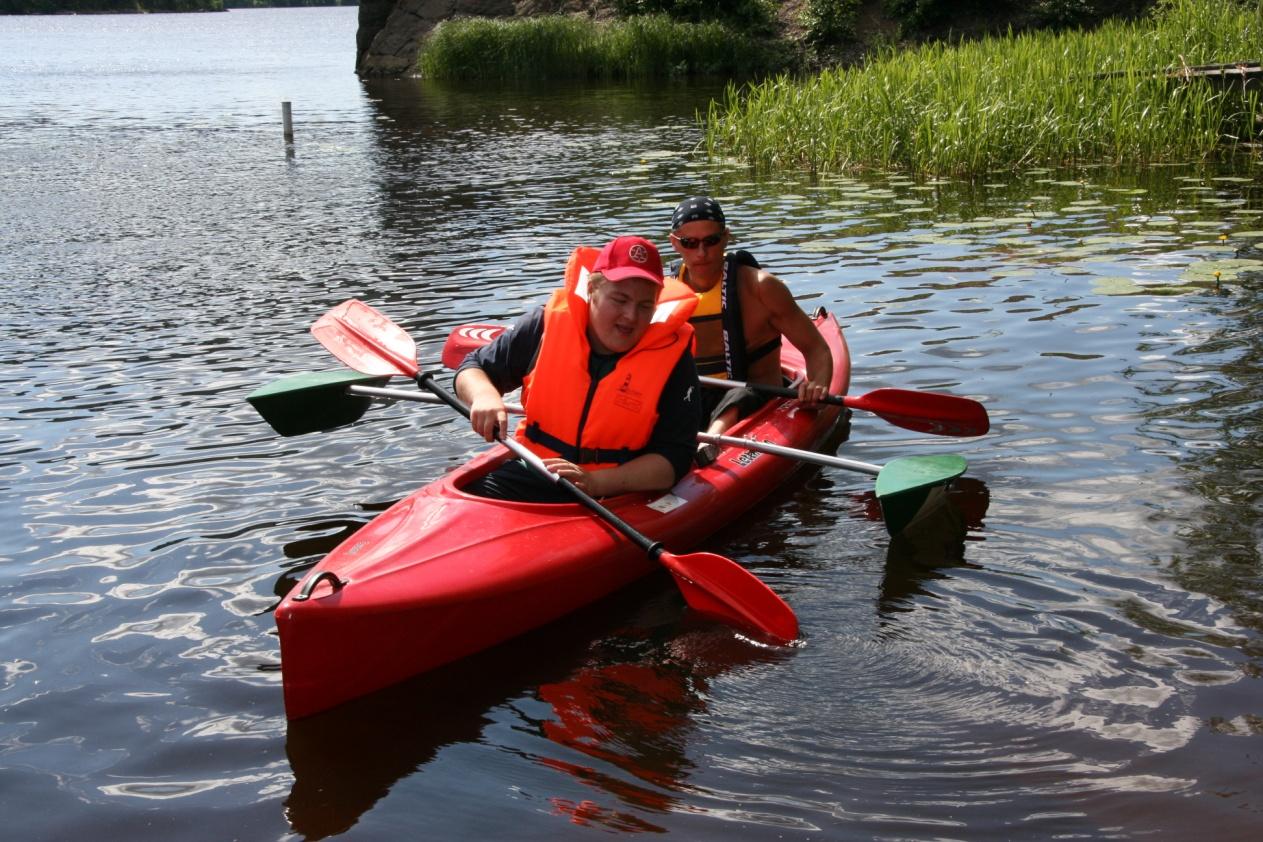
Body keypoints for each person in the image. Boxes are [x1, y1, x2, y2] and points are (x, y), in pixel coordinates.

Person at [454, 235, 701, 503]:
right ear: (592, 289)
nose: (631, 316)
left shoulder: (674, 361)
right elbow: (472, 367)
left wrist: (595, 482)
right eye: (619, 300)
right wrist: (484, 396)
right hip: (536, 470)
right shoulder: (543, 326)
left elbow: (673, 461)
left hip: (618, 493)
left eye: (644, 305)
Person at [667, 196, 834, 463]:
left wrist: (817, 389)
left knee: (741, 392)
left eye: (711, 241)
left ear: (726, 238)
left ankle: (710, 442)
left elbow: (817, 349)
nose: (701, 252)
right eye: (690, 243)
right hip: (694, 399)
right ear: (675, 243)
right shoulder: (664, 293)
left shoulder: (761, 288)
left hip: (758, 400)